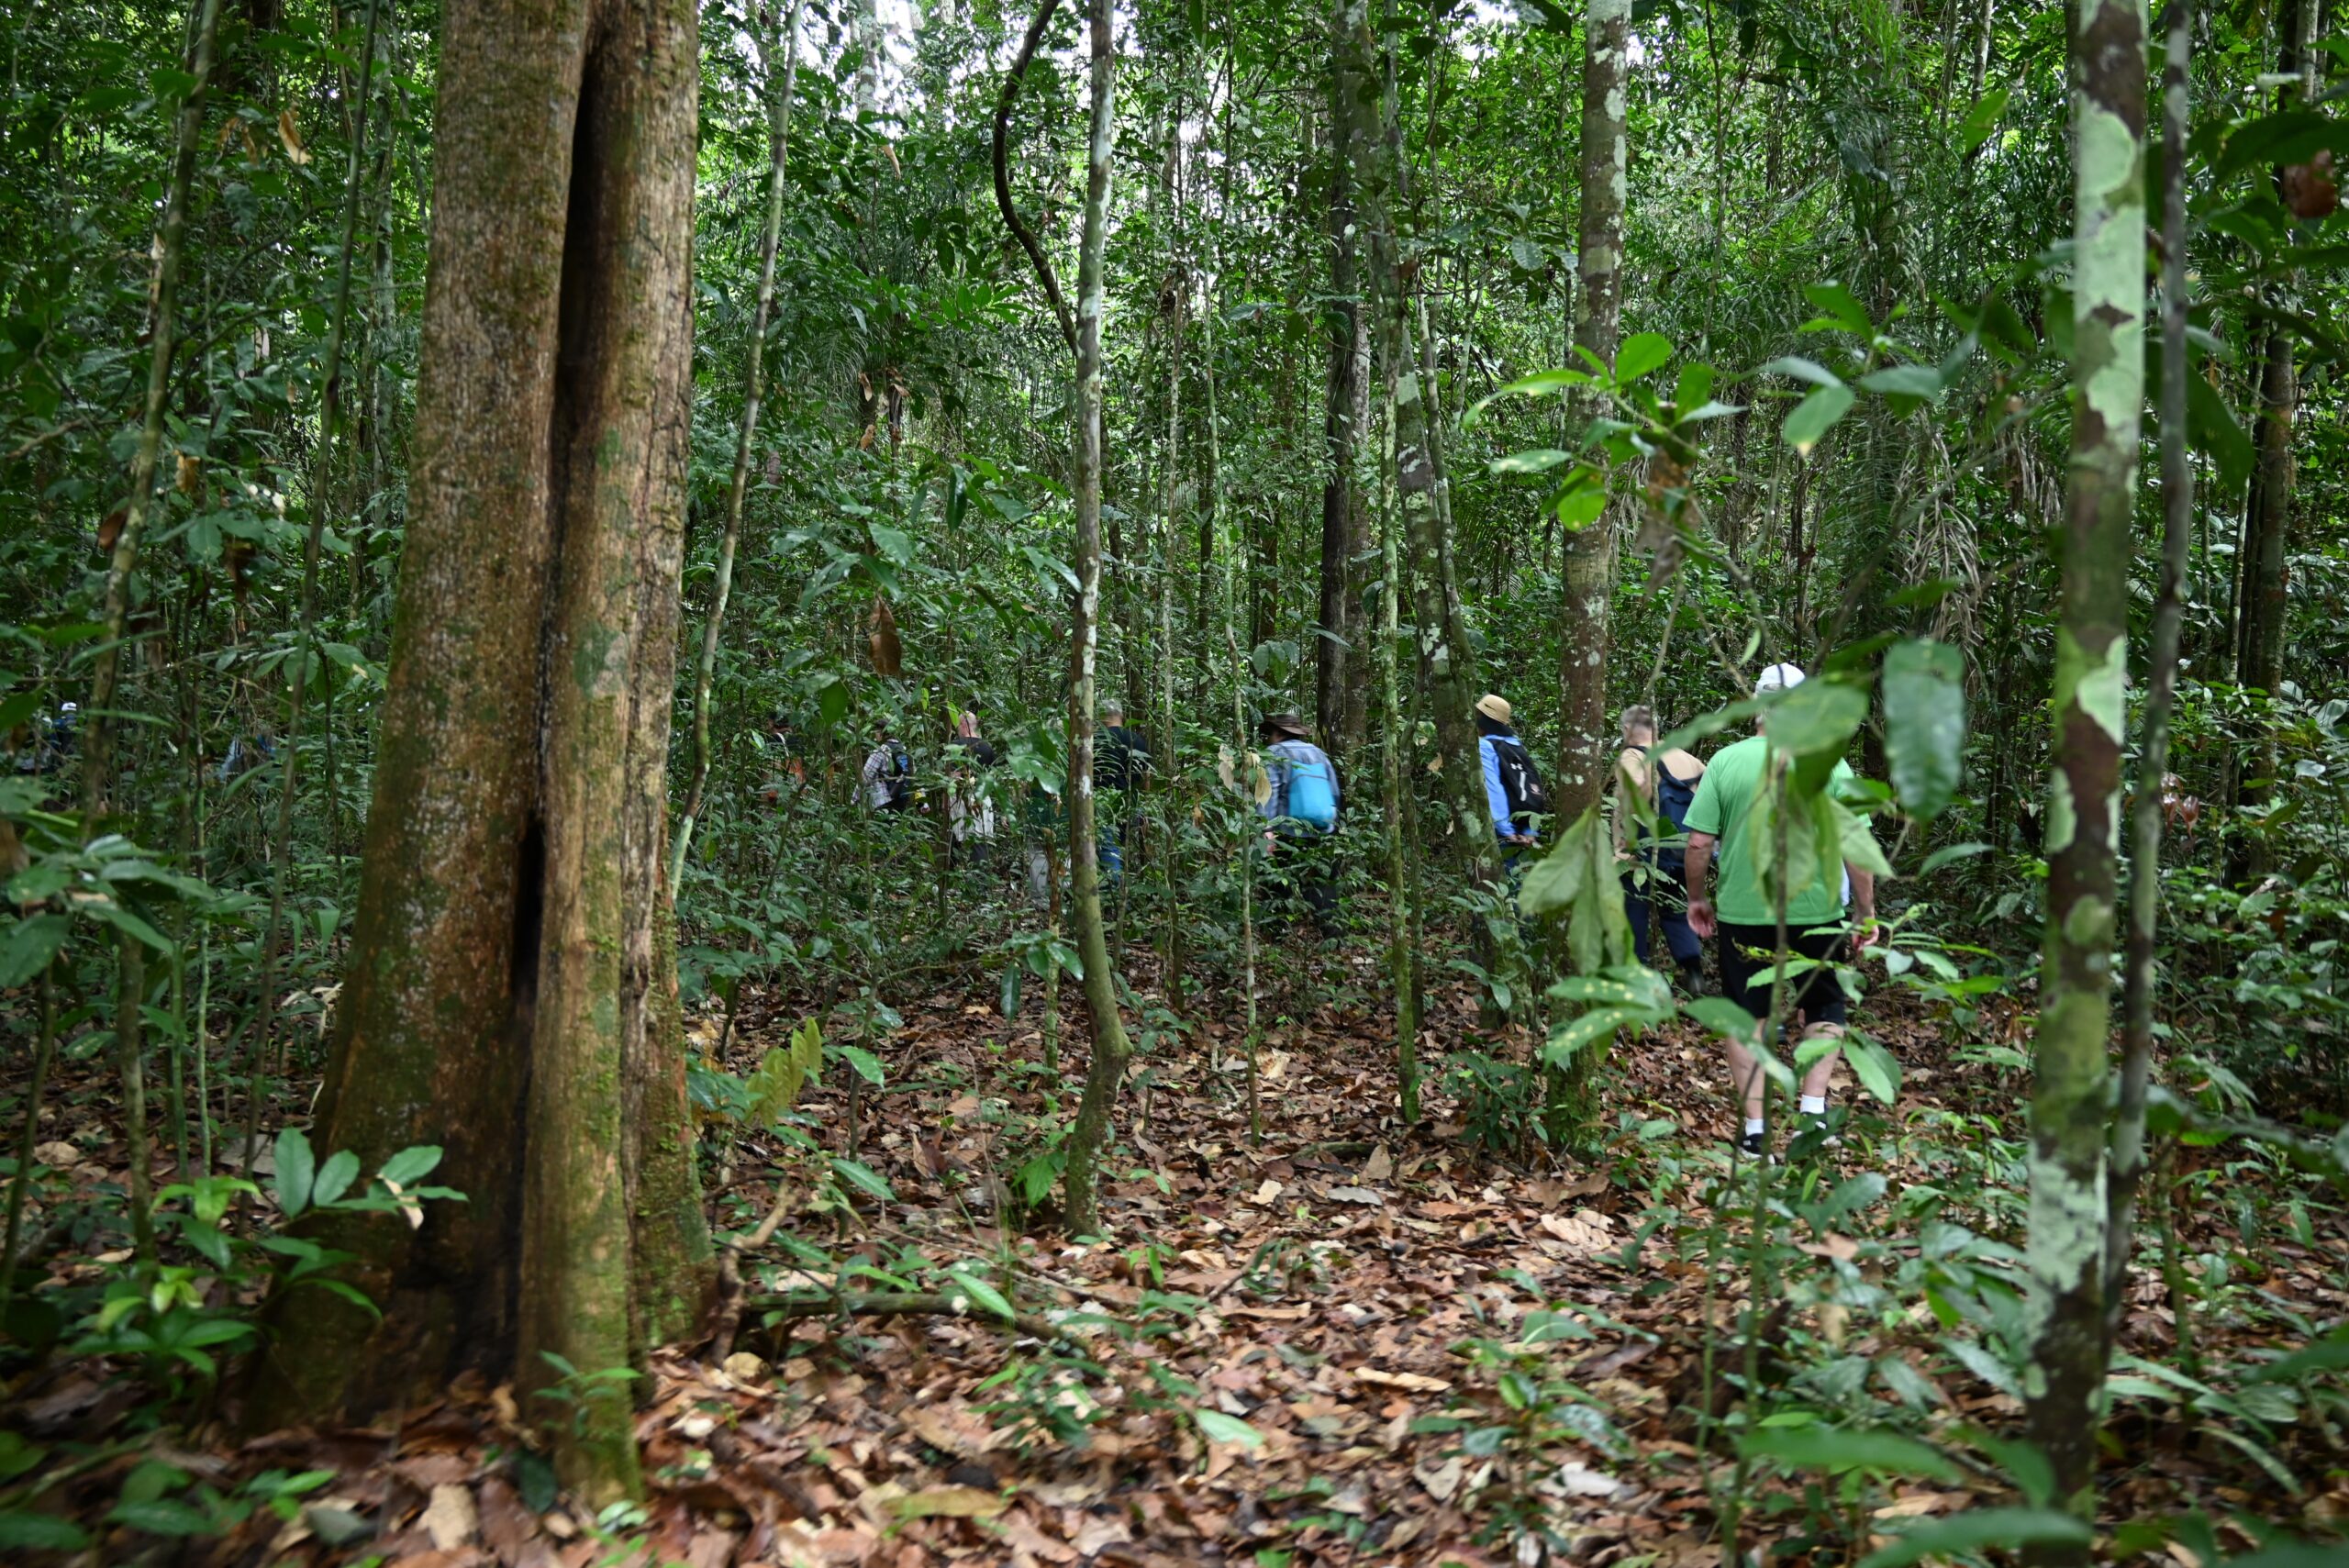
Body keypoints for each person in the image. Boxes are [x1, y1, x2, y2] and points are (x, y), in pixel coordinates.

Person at [1683, 662, 1878, 1159]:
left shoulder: (1725, 762)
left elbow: (1700, 842)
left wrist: (1698, 897)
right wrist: (1864, 910)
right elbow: (1856, 846)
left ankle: (1755, 1131)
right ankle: (1812, 1117)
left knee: (1746, 1017)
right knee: (1825, 1006)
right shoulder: (1829, 764)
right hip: (1817, 913)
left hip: (1745, 914)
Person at [1615, 705, 1708, 995]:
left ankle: (1638, 976)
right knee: (1676, 911)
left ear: (1627, 730)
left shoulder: (1632, 756)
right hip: (1683, 848)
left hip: (1642, 850)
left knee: (1634, 909)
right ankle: (1693, 970)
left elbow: (1634, 791)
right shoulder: (1687, 759)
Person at [1257, 712, 1341, 936]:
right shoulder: (1319, 754)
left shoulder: (1273, 754)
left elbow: (1268, 794)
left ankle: (1276, 933)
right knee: (1322, 887)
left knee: (1276, 883)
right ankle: (1332, 936)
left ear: (1276, 733)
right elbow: (1334, 792)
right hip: (1322, 828)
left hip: (1287, 831)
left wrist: (1267, 830)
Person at [1475, 695, 1547, 862]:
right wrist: (1531, 830)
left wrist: (1505, 829)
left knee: (1506, 883)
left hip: (1506, 829)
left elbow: (1494, 788)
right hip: (1528, 825)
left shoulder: (1485, 746)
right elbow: (1533, 783)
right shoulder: (1516, 744)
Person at [1094, 705, 1149, 884]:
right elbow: (1145, 778)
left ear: (1102, 717)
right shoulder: (1136, 740)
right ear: (1122, 716)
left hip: (1105, 805)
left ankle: (1113, 899)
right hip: (1131, 804)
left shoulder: (1095, 739)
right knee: (1121, 850)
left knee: (1109, 851)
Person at [945, 708, 998, 869]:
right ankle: (980, 881)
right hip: (982, 798)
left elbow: (953, 776)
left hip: (960, 796)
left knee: (954, 837)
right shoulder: (987, 748)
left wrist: (946, 801)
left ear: (963, 725)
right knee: (980, 840)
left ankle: (951, 880)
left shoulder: (955, 745)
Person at [861, 720, 914, 813]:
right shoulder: (904, 750)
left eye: (876, 732)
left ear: (882, 733)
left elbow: (865, 777)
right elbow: (913, 773)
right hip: (902, 800)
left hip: (884, 801)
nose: (875, 735)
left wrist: (854, 800)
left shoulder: (880, 752)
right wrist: (921, 801)